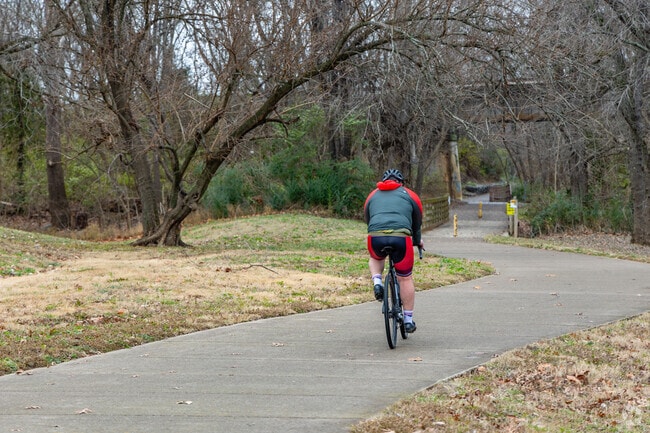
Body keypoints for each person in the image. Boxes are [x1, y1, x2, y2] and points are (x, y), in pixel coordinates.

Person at [364, 168, 424, 333]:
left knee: (376, 257)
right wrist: (417, 241)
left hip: (375, 236)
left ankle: (377, 282)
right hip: (401, 238)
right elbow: (417, 223)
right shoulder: (410, 195)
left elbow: (368, 218)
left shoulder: (372, 195)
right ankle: (408, 320)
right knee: (405, 279)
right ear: (401, 183)